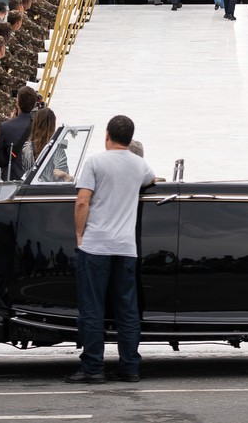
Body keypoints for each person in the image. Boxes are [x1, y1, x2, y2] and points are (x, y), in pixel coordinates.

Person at [65, 115, 155, 384]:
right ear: (130, 138)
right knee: (127, 309)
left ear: (107, 135)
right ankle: (130, 367)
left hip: (96, 246)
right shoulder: (139, 165)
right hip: (126, 248)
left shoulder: (94, 162)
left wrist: (80, 234)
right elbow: (151, 179)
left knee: (93, 309)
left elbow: (82, 201)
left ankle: (93, 368)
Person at [0, 85, 37, 181]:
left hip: (13, 180)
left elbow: (1, 161)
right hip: (33, 179)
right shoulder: (38, 125)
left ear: (17, 102)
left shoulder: (5, 126)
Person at [21, 107, 70, 182]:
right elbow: (64, 175)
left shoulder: (26, 147)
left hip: (29, 188)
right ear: (53, 124)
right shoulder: (58, 147)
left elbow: (23, 171)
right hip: (50, 190)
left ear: (36, 123)